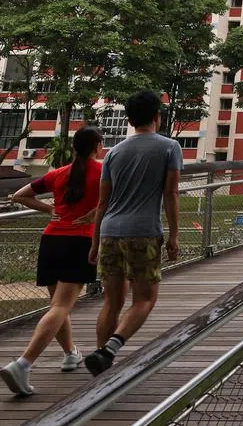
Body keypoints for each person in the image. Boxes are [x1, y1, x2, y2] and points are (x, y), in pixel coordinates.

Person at [85, 89, 182, 377]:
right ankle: (110, 350)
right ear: (157, 117)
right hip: (143, 232)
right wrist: (174, 235)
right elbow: (171, 193)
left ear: (129, 119)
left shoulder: (114, 153)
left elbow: (103, 202)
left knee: (112, 302)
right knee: (145, 299)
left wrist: (94, 242)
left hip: (110, 232)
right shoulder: (170, 147)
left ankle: (102, 368)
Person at [1, 126, 104, 397]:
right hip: (79, 242)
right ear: (97, 147)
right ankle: (23, 363)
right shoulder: (103, 172)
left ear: (73, 148)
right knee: (61, 306)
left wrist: (50, 209)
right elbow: (113, 200)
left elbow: (20, 194)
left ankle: (71, 353)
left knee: (58, 305)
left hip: (51, 241)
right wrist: (94, 214)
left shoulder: (57, 174)